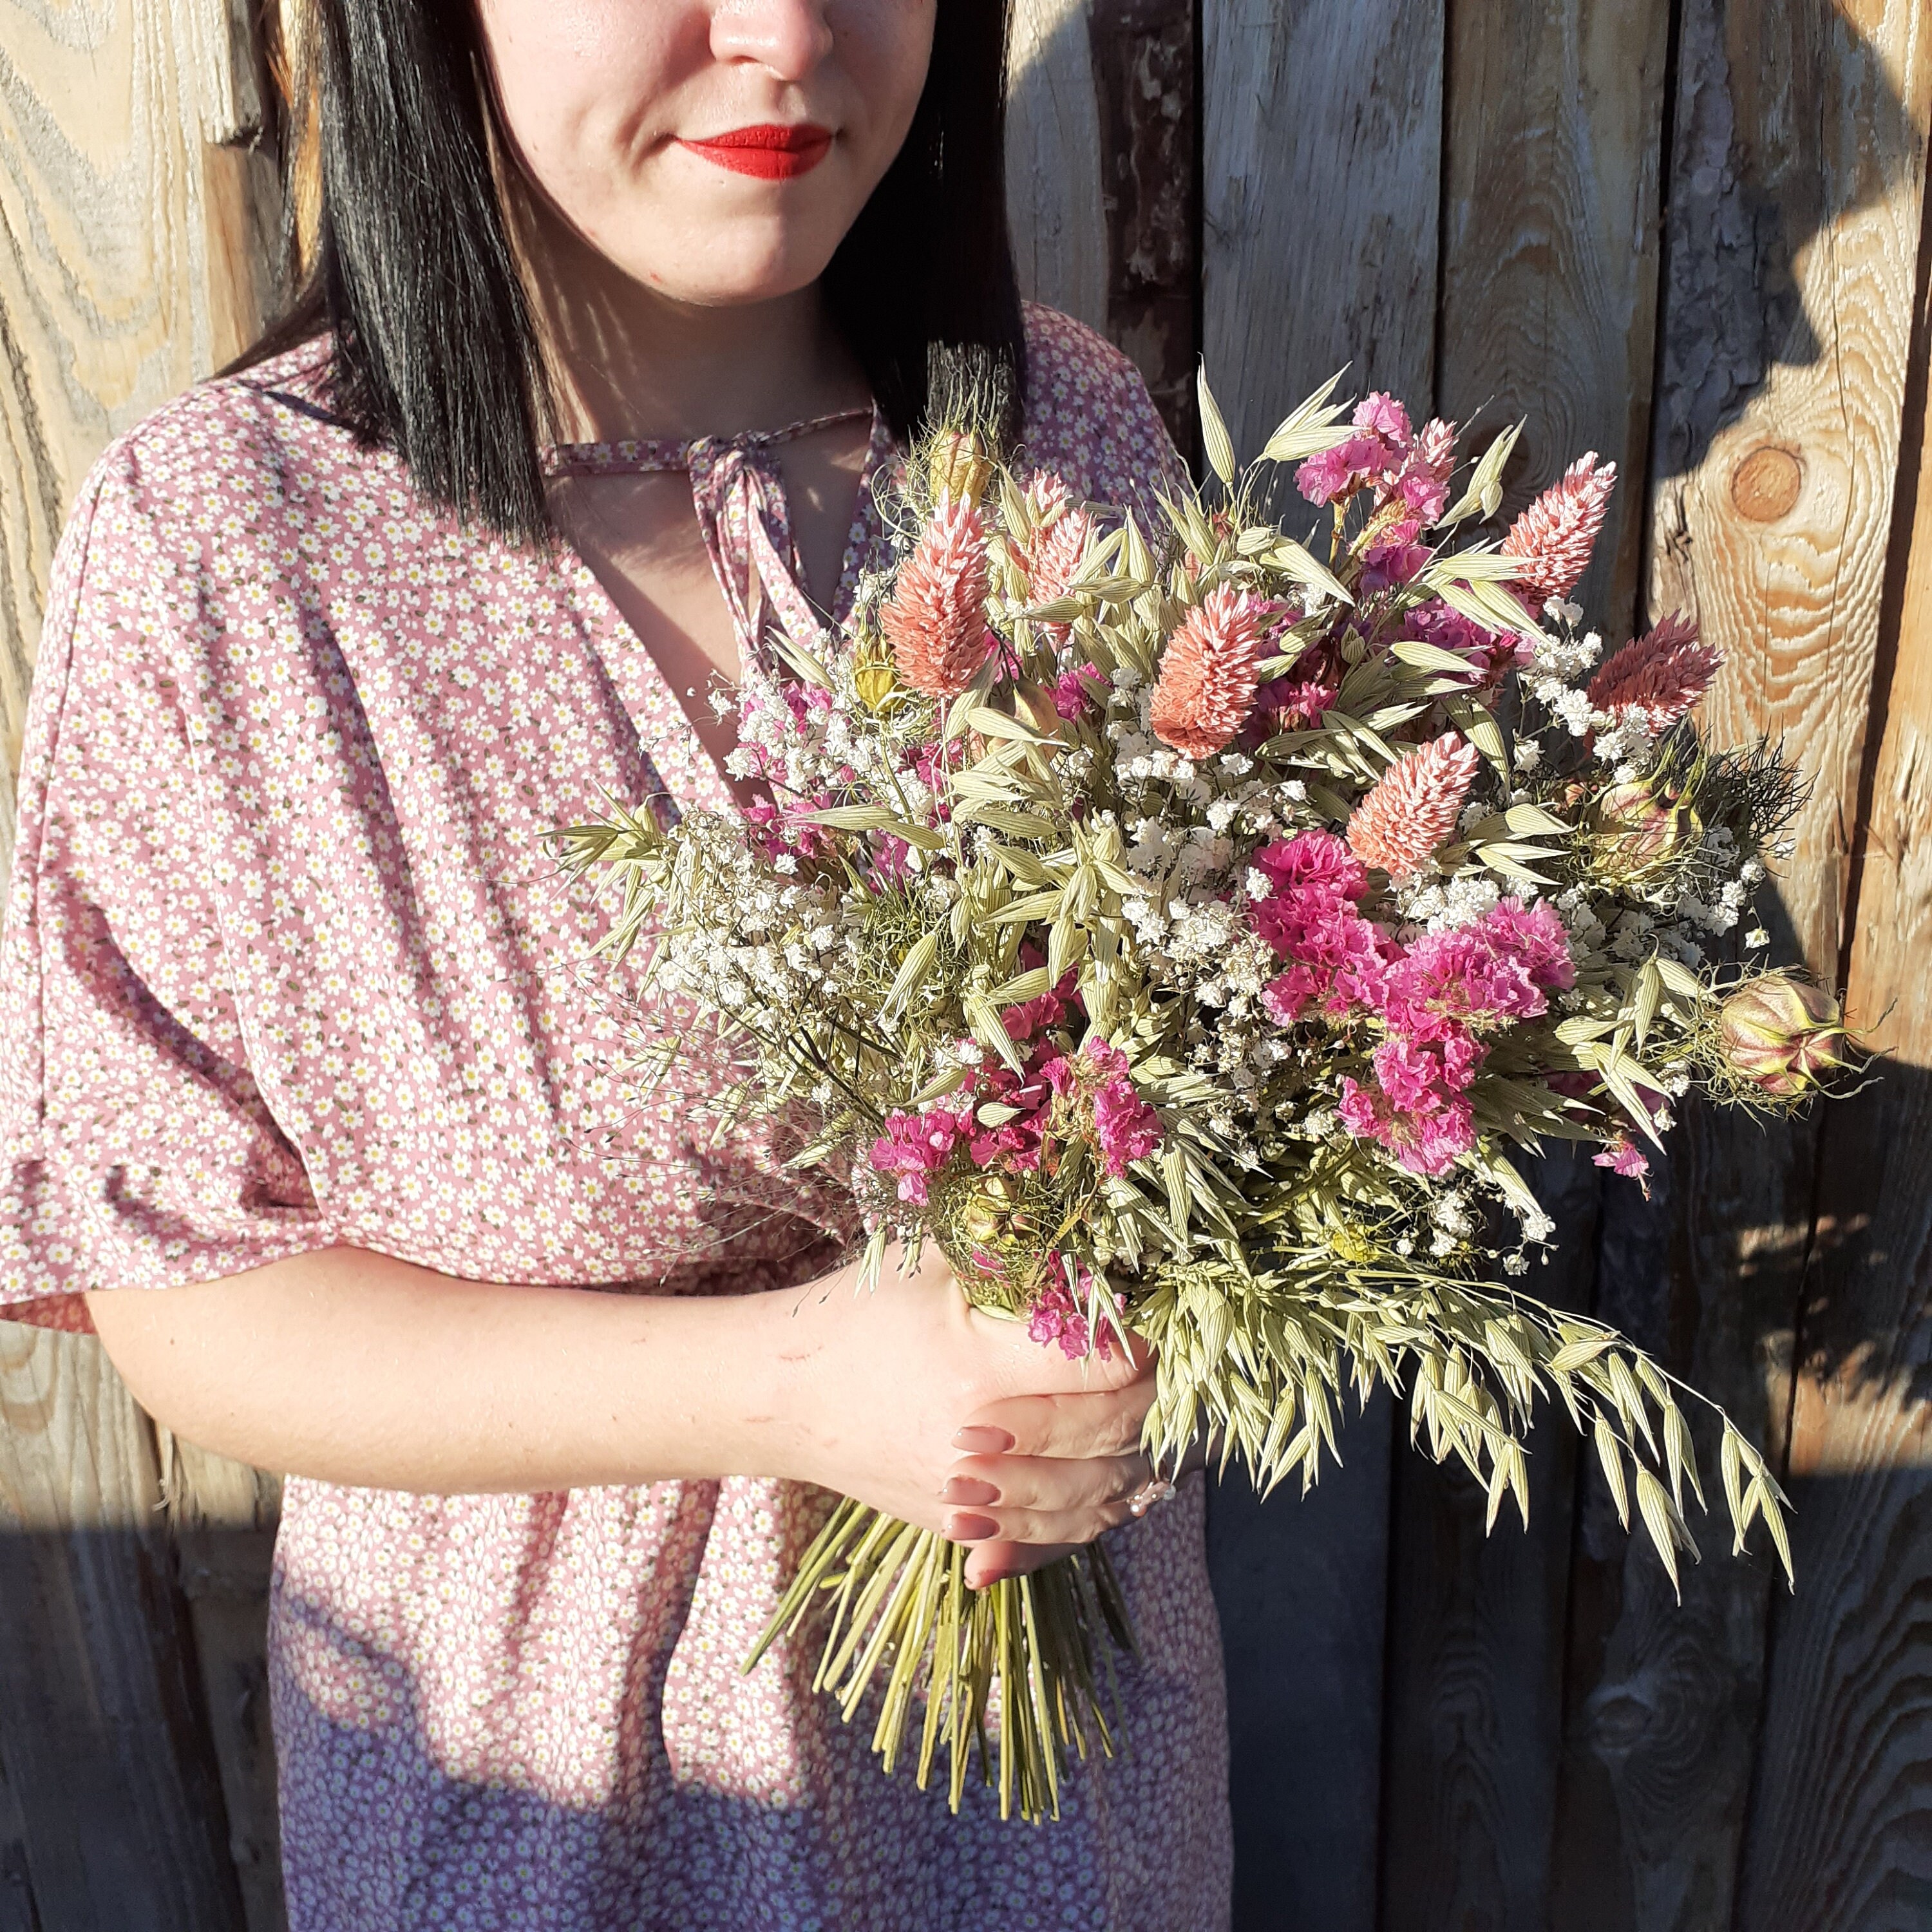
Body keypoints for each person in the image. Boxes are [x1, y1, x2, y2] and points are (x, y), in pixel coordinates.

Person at [0, 1, 1231, 1924]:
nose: (785, 35)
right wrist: (798, 1385)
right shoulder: (232, 551)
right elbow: (185, 1283)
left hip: (1056, 1797)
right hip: (538, 1808)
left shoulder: (1063, 445)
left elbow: (1235, 1049)